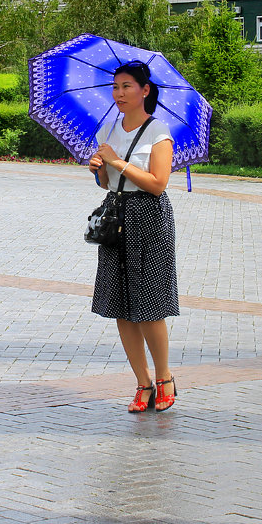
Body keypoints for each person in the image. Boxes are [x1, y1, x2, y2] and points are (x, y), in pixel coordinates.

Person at [88, 60, 178, 413]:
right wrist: (98, 170)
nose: (119, 93)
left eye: (127, 86)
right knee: (121, 306)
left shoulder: (160, 132)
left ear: (145, 90)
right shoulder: (107, 131)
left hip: (149, 218)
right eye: (115, 87)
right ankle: (142, 382)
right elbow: (109, 183)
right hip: (115, 215)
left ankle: (164, 377)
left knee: (149, 305)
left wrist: (119, 162)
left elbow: (158, 184)